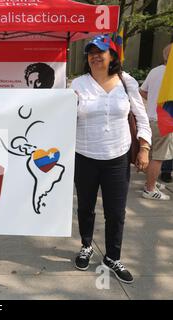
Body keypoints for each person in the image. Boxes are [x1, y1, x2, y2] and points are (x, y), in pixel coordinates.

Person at [71, 35, 152, 284]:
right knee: (85, 207)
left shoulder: (126, 82)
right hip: (85, 156)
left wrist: (144, 148)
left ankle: (112, 256)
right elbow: (63, 116)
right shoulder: (78, 84)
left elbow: (142, 116)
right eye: (91, 52)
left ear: (112, 55)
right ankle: (86, 245)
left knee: (115, 213)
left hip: (117, 158)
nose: (95, 56)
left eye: (101, 51)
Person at [139, 43, 173, 199]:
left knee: (152, 155)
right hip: (165, 120)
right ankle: (150, 188)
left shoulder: (155, 71)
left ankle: (150, 181)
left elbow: (142, 91)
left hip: (150, 118)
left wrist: (153, 100)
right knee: (158, 157)